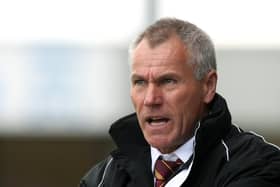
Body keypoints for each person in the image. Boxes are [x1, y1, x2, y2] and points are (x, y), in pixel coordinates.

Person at [79, 18, 280, 187]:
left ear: (208, 86)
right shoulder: (103, 177)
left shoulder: (258, 165)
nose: (150, 99)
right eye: (140, 82)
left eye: (167, 81)